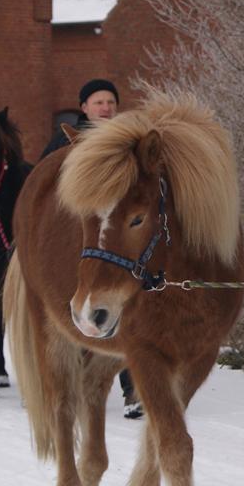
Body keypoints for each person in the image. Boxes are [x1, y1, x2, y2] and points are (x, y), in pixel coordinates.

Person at [40, 78, 142, 420]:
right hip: (76, 241)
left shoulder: (128, 143)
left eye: (111, 101)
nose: (106, 107)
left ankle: (133, 387)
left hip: (116, 245)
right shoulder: (65, 143)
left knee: (128, 312)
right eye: (98, 102)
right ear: (83, 107)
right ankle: (67, 383)